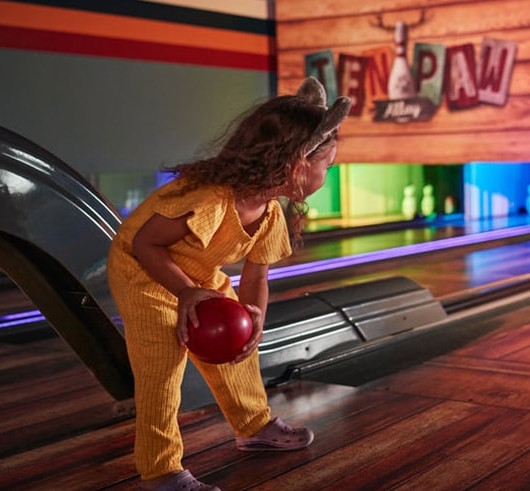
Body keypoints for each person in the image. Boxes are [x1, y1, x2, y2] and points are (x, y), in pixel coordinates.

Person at [106, 77, 351, 491]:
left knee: (239, 352)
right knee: (162, 369)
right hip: (143, 271)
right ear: (296, 165)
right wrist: (184, 292)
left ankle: (253, 427)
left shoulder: (269, 211)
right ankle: (161, 471)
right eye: (327, 164)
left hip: (197, 275)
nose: (330, 170)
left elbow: (256, 275)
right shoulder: (209, 198)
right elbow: (146, 243)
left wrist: (253, 317)